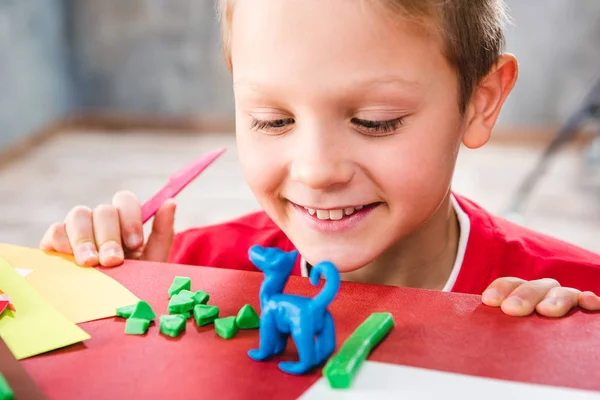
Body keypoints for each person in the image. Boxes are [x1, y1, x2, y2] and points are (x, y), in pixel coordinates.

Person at [40, 0, 600, 318]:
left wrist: (568, 360)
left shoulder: (578, 297)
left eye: (375, 121)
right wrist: (107, 311)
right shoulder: (186, 273)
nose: (315, 170)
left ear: (481, 102)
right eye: (272, 120)